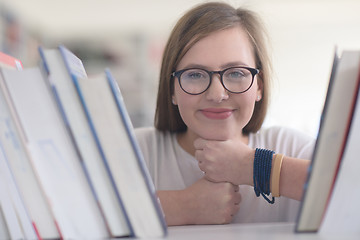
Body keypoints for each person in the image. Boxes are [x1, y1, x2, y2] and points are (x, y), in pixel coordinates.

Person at [135, 1, 314, 226]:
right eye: (195, 75)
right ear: (171, 89)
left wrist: (255, 167)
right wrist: (181, 206)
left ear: (259, 86)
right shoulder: (134, 152)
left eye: (237, 73)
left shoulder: (292, 148)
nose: (217, 94)